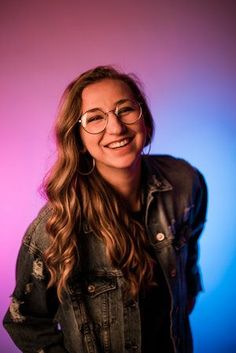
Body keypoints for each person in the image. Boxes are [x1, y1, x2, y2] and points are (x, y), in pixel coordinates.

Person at [3, 66, 207, 353]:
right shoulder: (57, 226)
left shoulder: (185, 182)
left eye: (125, 110)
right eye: (95, 118)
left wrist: (188, 289)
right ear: (79, 139)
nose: (116, 128)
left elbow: (191, 246)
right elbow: (24, 321)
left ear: (144, 119)